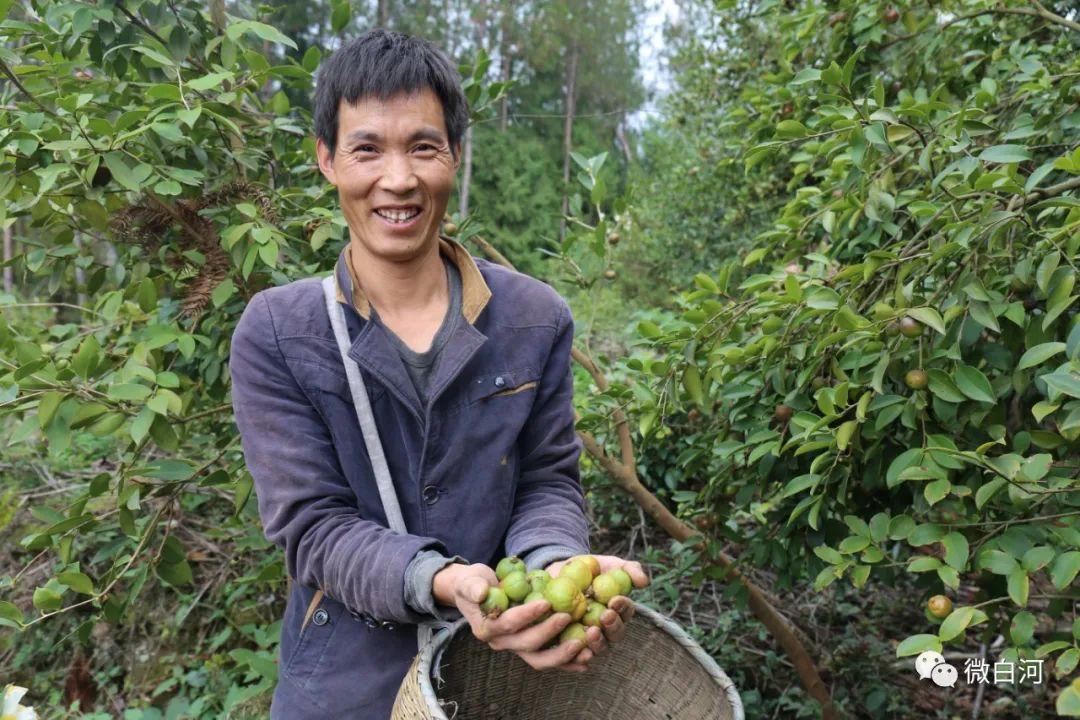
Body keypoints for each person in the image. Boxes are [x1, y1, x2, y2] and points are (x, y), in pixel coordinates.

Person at [228, 29, 647, 718]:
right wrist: (443, 579)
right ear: (327, 160)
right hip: (344, 687)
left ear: (454, 154)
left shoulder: (533, 318)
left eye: (423, 146)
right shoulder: (280, 332)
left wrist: (551, 570)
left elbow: (546, 479)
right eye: (367, 149)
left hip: (499, 677)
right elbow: (313, 527)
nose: (398, 179)